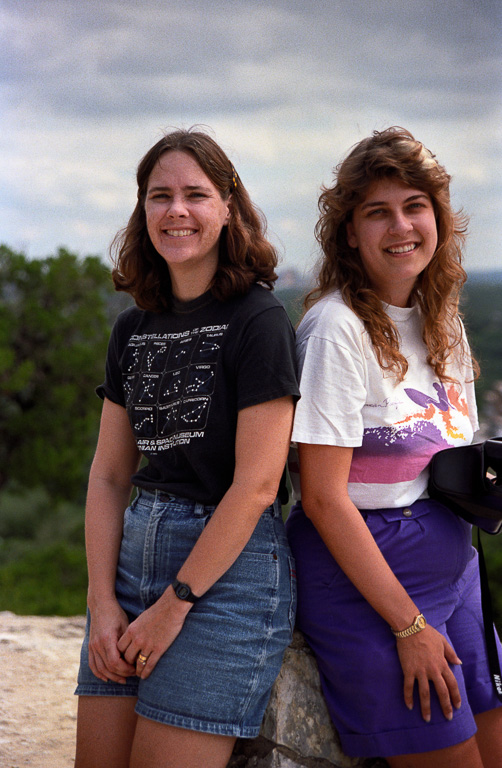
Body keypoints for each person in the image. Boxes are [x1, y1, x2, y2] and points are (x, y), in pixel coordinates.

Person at [74, 128, 300, 768]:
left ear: (228, 206)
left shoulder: (258, 320)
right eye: (160, 195)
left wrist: (174, 607)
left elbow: (257, 485)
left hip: (223, 576)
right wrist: (102, 603)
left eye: (195, 195)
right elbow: (110, 476)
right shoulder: (133, 326)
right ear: (142, 210)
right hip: (131, 557)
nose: (176, 210)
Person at [285, 127, 502, 768]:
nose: (400, 226)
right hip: (368, 582)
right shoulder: (336, 330)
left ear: (437, 218)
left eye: (414, 206)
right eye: (376, 212)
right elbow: (323, 498)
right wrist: (408, 627)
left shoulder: (441, 318)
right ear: (349, 232)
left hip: (455, 570)